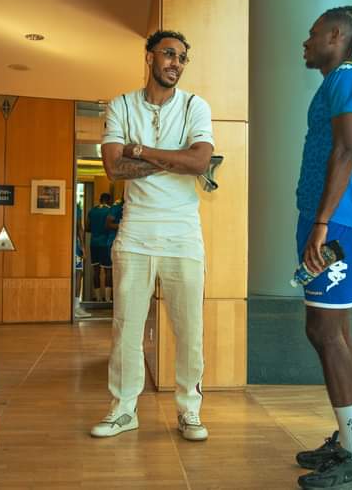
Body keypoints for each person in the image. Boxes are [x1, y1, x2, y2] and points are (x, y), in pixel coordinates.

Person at [90, 30, 214, 441]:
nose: (176, 63)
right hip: (136, 231)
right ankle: (124, 410)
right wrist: (175, 159)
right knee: (126, 329)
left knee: (190, 331)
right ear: (149, 57)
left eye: (182, 57)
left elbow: (200, 162)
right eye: (169, 54)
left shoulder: (195, 106)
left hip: (183, 234)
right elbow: (113, 168)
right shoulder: (121, 105)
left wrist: (140, 151)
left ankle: (189, 411)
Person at [292, 6, 352, 490]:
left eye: (312, 34)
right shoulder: (337, 81)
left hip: (337, 224)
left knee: (327, 333)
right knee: (331, 331)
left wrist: (323, 222)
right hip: (327, 219)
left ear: (334, 36)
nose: (305, 43)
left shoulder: (348, 77)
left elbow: (347, 149)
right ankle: (350, 441)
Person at [87, 193, 113, 302]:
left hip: (94, 243)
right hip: (106, 243)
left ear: (100, 199)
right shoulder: (110, 210)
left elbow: (87, 227)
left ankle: (98, 298)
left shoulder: (92, 211)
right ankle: (107, 299)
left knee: (96, 271)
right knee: (108, 271)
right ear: (109, 200)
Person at [74, 201, 90, 318]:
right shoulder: (76, 206)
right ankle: (75, 306)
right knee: (78, 274)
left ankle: (72, 306)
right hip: (74, 248)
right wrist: (83, 248)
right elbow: (80, 228)